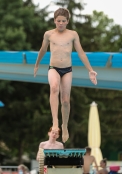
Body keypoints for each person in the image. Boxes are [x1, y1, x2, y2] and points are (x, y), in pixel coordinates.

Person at [34, 8, 97, 143]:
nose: (61, 23)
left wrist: (90, 70)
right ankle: (55, 122)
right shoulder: (49, 35)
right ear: (54, 21)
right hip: (53, 68)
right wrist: (37, 64)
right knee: (54, 88)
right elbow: (43, 50)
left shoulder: (73, 35)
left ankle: (65, 125)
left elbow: (80, 52)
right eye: (58, 21)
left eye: (63, 21)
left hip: (67, 70)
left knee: (66, 101)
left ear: (67, 21)